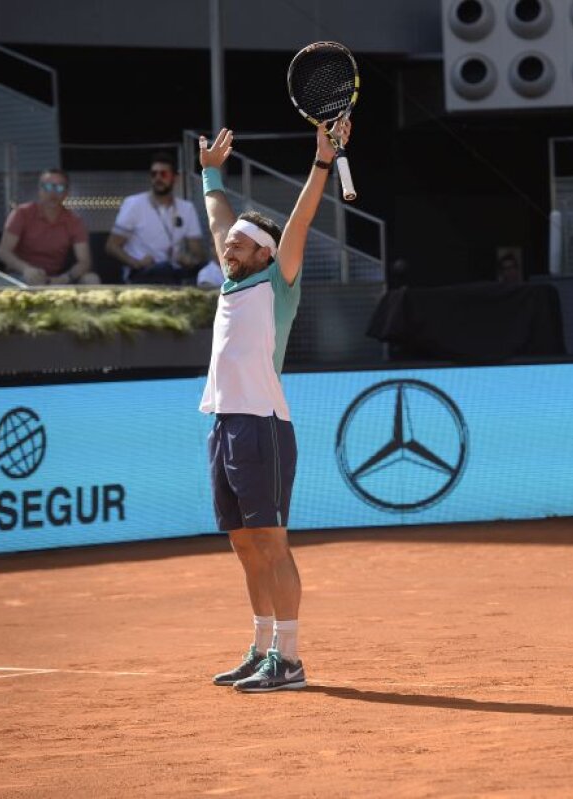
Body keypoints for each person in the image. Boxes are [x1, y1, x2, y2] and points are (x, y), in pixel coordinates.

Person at [199, 120, 349, 693]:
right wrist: (212, 172)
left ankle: (289, 659)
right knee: (243, 543)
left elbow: (302, 221)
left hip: (263, 426)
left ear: (265, 253)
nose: (227, 247)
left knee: (272, 542)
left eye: (238, 244)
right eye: (230, 243)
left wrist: (321, 162)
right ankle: (261, 647)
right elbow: (217, 216)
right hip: (223, 423)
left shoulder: (279, 279)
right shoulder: (232, 281)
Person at [105, 151, 210, 284]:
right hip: (142, 271)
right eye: (154, 174)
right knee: (164, 270)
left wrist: (190, 260)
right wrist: (136, 263)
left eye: (163, 174)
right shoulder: (134, 204)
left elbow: (198, 252)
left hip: (174, 270)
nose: (158, 178)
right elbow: (111, 246)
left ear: (175, 178)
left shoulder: (186, 208)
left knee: (208, 269)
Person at [0, 169, 100, 285]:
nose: (53, 193)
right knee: (33, 281)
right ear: (39, 190)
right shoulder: (21, 213)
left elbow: (85, 262)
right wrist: (26, 269)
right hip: (21, 275)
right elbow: (3, 252)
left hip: (55, 278)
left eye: (59, 188)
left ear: (67, 193)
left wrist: (65, 278)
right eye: (47, 187)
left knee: (91, 279)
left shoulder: (75, 221)